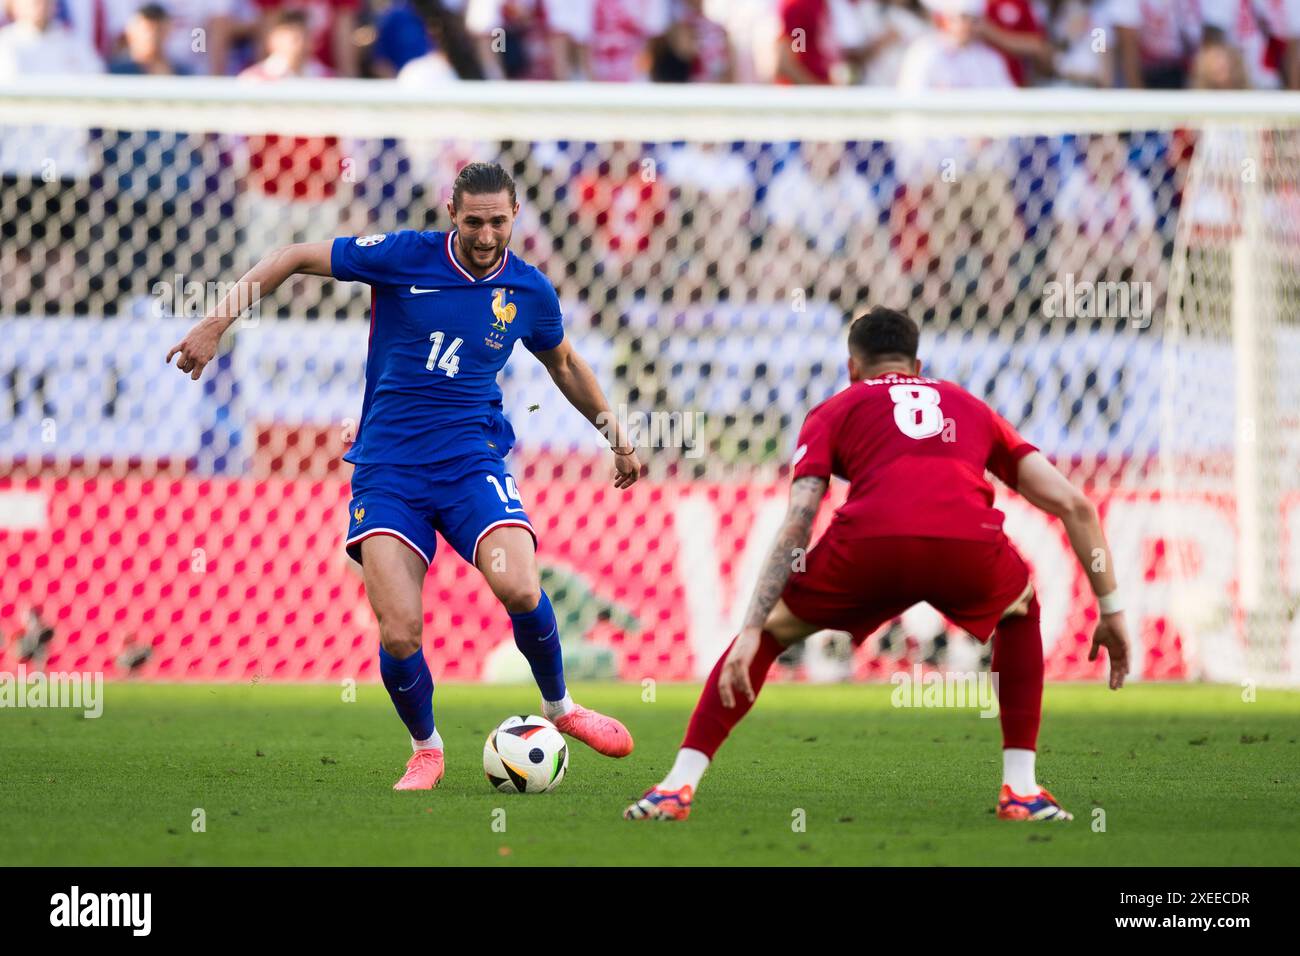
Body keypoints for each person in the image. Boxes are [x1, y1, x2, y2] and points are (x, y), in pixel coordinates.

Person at [166, 162, 642, 791]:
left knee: (522, 588)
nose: (485, 234)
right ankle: (427, 749)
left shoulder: (529, 290)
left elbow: (565, 363)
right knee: (399, 629)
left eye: (498, 221)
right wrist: (214, 323)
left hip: (472, 464)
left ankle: (561, 707)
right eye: (473, 221)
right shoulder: (403, 256)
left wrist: (616, 436)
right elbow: (288, 256)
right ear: (452, 213)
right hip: (389, 470)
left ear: (514, 217)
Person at [626, 307, 1131, 822]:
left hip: (871, 544)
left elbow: (800, 519)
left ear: (852, 366)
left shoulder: (834, 409)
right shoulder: (970, 407)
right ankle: (1021, 790)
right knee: (1019, 611)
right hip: (967, 547)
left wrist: (754, 628)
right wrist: (1111, 612)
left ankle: (676, 786)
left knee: (774, 632)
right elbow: (1076, 506)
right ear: (917, 363)